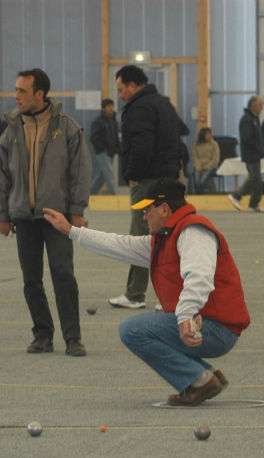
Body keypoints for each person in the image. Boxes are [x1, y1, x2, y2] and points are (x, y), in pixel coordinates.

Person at [42, 178, 250, 405]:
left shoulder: (193, 232)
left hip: (216, 328)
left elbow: (199, 278)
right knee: (143, 325)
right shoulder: (165, 238)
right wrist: (71, 230)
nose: (144, 217)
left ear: (164, 209)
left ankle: (199, 380)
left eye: (147, 210)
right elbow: (118, 244)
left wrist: (185, 317)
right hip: (206, 322)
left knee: (133, 330)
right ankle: (205, 375)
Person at [0, 67, 91, 357]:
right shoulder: (10, 131)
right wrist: (1, 214)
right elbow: (0, 175)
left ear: (40, 94)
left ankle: (73, 338)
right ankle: (42, 335)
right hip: (23, 217)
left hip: (57, 217)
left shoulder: (68, 128)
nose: (16, 95)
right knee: (31, 280)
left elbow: (80, 172)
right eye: (16, 89)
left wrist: (77, 210)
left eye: (22, 91)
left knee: (64, 275)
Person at [109, 65, 181, 310]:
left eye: (121, 90)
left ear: (132, 85)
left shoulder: (139, 107)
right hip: (169, 180)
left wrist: (133, 175)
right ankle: (173, 296)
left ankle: (135, 294)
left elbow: (142, 145)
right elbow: (179, 136)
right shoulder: (164, 104)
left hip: (148, 182)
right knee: (169, 238)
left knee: (141, 238)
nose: (120, 95)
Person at [228, 95, 264, 212]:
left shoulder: (254, 119)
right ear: (254, 106)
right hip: (251, 153)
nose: (262, 107)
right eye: (260, 105)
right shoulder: (247, 119)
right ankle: (237, 196)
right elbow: (247, 138)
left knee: (255, 178)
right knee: (255, 178)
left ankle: (253, 204)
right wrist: (259, 149)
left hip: (255, 153)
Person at [89, 98, 120, 195]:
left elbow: (115, 136)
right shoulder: (98, 121)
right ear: (103, 108)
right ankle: (114, 197)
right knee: (110, 176)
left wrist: (117, 148)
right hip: (102, 153)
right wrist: (103, 148)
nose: (111, 108)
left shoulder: (113, 121)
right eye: (109, 106)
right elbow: (93, 138)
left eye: (112, 106)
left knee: (101, 177)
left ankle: (89, 195)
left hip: (111, 153)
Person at [191, 127, 220, 194]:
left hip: (211, 167)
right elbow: (195, 157)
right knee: (197, 180)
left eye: (210, 134)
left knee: (202, 180)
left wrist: (205, 168)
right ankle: (198, 195)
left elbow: (215, 159)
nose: (209, 136)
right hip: (199, 166)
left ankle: (201, 195)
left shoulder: (214, 144)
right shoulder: (197, 144)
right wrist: (199, 167)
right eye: (207, 134)